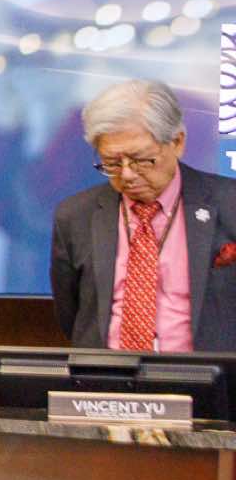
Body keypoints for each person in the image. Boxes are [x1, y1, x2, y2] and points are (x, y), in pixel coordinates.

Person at [51, 78, 236, 351]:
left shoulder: (229, 204)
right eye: (112, 163)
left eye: (140, 160)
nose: (127, 174)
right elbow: (72, 313)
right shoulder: (75, 216)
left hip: (205, 373)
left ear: (177, 142)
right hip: (105, 373)